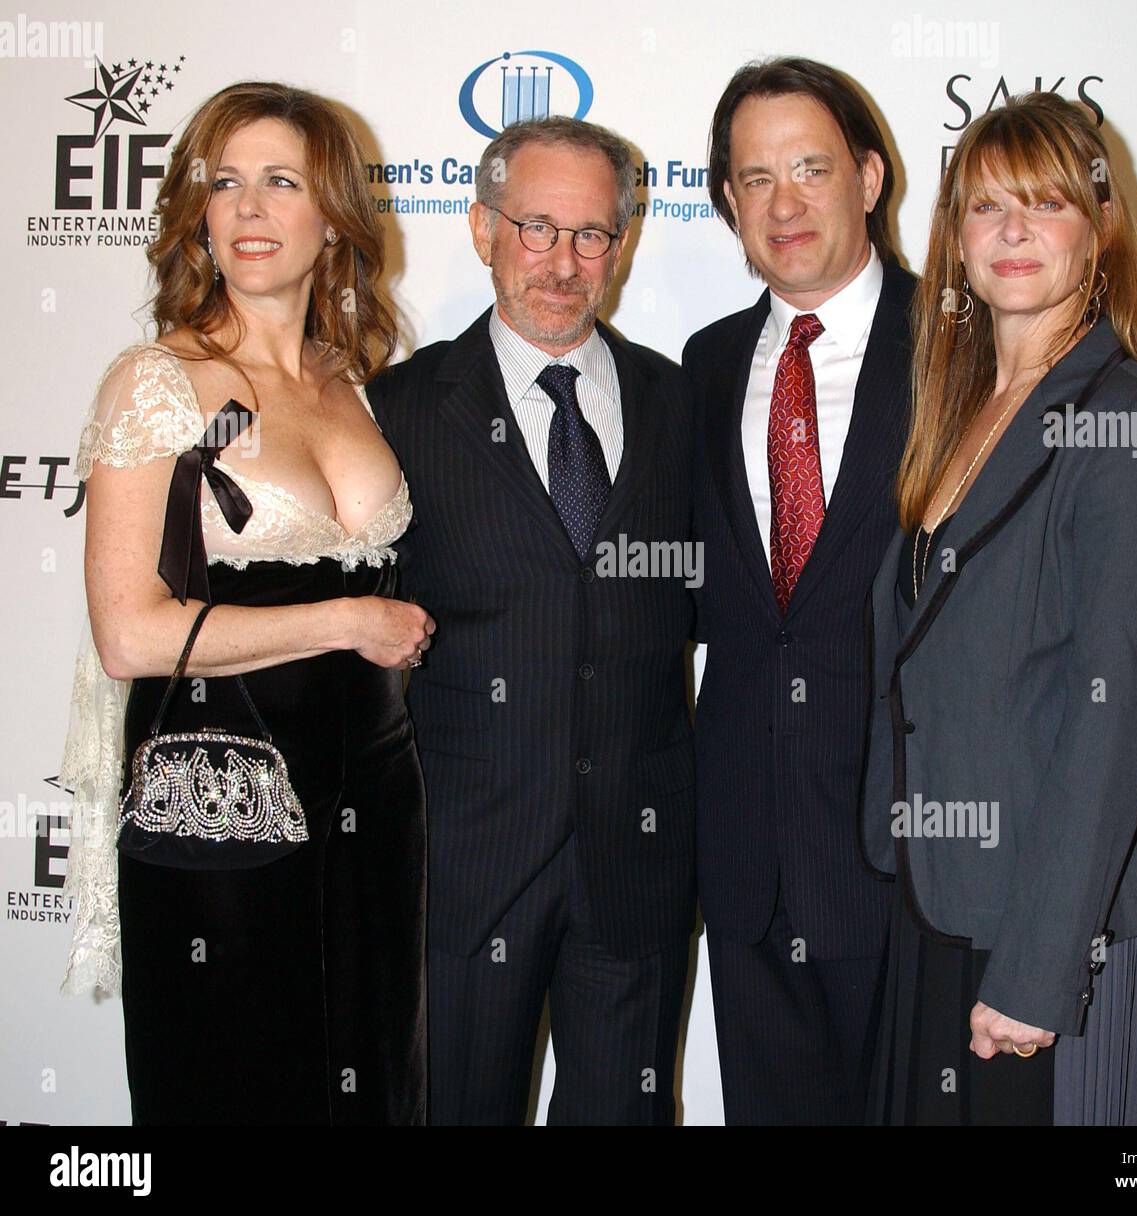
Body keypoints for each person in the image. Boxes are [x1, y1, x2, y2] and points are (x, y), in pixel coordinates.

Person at [60, 82, 433, 1125]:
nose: (251, 210)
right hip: (229, 787)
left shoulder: (347, 378)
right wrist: (345, 622)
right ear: (199, 213)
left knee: (370, 1062)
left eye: (282, 182)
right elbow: (129, 632)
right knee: (237, 1067)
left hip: (373, 788)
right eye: (226, 184)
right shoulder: (157, 382)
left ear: (334, 218)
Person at [859, 91, 1137, 1125]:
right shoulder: (959, 415)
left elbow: (1111, 719)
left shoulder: (1132, 427)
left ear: (1098, 232)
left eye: (1046, 203)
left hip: (1056, 927)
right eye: (983, 207)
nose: (1011, 231)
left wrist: (1037, 967)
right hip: (942, 897)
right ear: (954, 241)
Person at [366, 116, 695, 1126]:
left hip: (635, 870)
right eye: (536, 227)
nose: (563, 261)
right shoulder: (397, 410)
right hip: (464, 873)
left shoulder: (679, 402)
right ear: (481, 228)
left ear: (622, 243)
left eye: (591, 233)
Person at [682, 57, 914, 1124]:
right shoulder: (705, 362)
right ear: (728, 200)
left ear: (868, 177)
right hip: (744, 854)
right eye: (754, 178)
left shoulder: (964, 345)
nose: (783, 203)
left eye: (811, 169)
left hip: (910, 858)